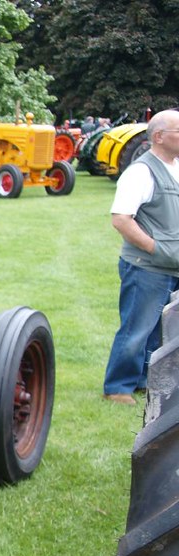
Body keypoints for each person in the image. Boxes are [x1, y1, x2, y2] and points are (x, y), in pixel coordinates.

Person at [103, 109, 179, 405]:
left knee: (160, 333)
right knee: (137, 328)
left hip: (171, 267)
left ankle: (144, 381)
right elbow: (121, 220)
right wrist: (156, 249)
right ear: (159, 137)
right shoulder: (141, 172)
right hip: (148, 267)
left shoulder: (175, 167)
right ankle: (117, 387)